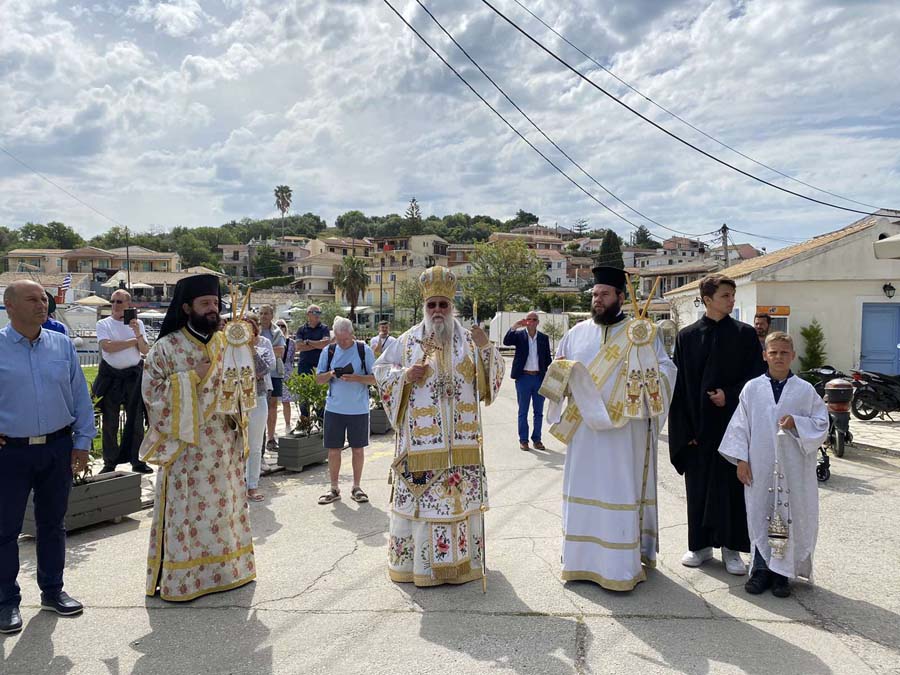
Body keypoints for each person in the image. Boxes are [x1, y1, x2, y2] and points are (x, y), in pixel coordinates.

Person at [542, 267, 676, 591]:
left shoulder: (640, 333)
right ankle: (579, 561)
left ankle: (619, 565)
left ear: (619, 296)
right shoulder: (576, 333)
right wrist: (562, 377)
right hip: (584, 432)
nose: (597, 300)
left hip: (623, 433)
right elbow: (557, 370)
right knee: (583, 488)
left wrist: (645, 381)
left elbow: (667, 370)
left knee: (619, 488)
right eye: (593, 295)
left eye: (603, 294)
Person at [374, 266, 504, 587]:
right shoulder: (406, 342)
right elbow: (381, 371)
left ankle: (464, 566)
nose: (437, 311)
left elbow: (494, 380)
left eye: (442, 305)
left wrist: (487, 347)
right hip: (421, 450)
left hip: (461, 449)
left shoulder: (471, 341)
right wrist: (405, 375)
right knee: (423, 509)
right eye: (432, 305)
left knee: (459, 507)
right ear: (424, 307)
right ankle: (419, 569)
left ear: (452, 306)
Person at [139, 274, 256, 602]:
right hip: (186, 450)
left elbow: (242, 390)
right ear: (186, 306)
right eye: (205, 304)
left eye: (216, 304)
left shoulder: (227, 344)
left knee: (225, 510)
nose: (212, 310)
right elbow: (152, 396)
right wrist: (193, 378)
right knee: (187, 513)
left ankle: (230, 570)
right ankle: (185, 579)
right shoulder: (165, 348)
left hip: (223, 447)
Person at [0, 280, 96, 633]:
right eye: (32, 299)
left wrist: (83, 442)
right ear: (9, 306)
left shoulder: (61, 345)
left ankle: (52, 591)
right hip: (10, 452)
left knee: (53, 524)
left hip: (57, 448)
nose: (42, 304)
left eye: (44, 298)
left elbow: (79, 396)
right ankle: (6, 601)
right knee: (4, 530)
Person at [669, 274, 766, 575]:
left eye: (733, 295)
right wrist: (685, 433)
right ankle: (699, 546)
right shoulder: (686, 337)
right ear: (708, 299)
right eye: (725, 296)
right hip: (698, 429)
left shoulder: (745, 335)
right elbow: (679, 387)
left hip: (731, 426)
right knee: (697, 488)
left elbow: (756, 377)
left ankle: (731, 549)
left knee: (730, 489)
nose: (731, 300)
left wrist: (731, 394)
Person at [719, 332, 828, 598]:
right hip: (761, 465)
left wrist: (798, 423)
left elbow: (822, 424)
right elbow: (740, 426)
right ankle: (760, 570)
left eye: (784, 352)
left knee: (791, 517)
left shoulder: (805, 390)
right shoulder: (752, 388)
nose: (778, 357)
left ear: (792, 356)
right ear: (764, 355)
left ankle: (782, 575)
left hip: (793, 470)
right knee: (759, 514)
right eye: (773, 352)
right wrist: (741, 460)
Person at [315, 317, 376, 505]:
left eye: (346, 339)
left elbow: (375, 379)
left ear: (352, 334)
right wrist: (332, 374)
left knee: (358, 450)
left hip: (358, 409)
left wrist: (357, 378)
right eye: (339, 339)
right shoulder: (329, 351)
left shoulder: (363, 350)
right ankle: (333, 488)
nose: (343, 343)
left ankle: (356, 487)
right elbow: (319, 379)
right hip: (334, 408)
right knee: (334, 450)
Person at [94, 289, 152, 474]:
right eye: (112, 301)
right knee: (109, 421)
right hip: (111, 377)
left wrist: (137, 334)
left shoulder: (138, 324)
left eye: (119, 302)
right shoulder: (103, 323)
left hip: (133, 377)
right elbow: (108, 347)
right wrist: (132, 341)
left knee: (136, 420)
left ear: (128, 304)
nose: (115, 305)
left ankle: (138, 460)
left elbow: (144, 350)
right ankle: (110, 461)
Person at [503, 311, 552, 451]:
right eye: (528, 319)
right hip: (523, 378)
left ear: (538, 322)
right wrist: (515, 326)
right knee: (523, 411)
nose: (531, 321)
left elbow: (548, 358)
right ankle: (523, 440)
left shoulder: (543, 338)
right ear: (526, 321)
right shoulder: (519, 335)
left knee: (538, 412)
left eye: (534, 319)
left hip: (539, 378)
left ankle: (537, 439)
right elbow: (506, 341)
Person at [245, 316, 275, 503]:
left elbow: (262, 370)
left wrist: (250, 349)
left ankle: (252, 485)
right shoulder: (228, 351)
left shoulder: (262, 348)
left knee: (255, 445)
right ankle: (238, 483)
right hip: (235, 401)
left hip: (257, 397)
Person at [294, 305, 331, 419]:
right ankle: (305, 421)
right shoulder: (301, 329)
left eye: (319, 312)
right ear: (308, 314)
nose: (317, 315)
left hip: (320, 365)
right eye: (315, 312)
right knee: (303, 394)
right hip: (305, 365)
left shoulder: (324, 328)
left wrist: (309, 342)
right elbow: (299, 347)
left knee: (320, 393)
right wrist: (317, 345)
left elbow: (325, 344)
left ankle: (321, 420)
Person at [258, 305, 285, 452]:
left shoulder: (276, 332)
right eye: (261, 313)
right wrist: (268, 352)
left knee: (273, 406)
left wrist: (261, 352)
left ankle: (270, 437)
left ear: (272, 315)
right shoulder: (254, 330)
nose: (263, 316)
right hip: (260, 374)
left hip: (274, 373)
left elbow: (280, 351)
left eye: (266, 313)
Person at [276, 320, 295, 431]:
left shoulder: (291, 342)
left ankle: (287, 424)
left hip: (286, 372)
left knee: (286, 400)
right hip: (274, 371)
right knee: (271, 402)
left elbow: (291, 358)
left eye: (282, 326)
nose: (280, 327)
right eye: (278, 325)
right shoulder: (271, 341)